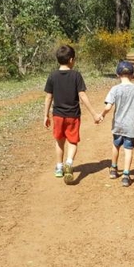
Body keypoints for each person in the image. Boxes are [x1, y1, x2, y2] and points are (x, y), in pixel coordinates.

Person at [43, 45, 100, 185]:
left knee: (59, 140)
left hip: (57, 115)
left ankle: (59, 167)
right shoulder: (76, 75)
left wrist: (45, 115)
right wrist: (94, 113)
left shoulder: (52, 76)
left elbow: (48, 97)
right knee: (72, 141)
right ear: (71, 59)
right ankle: (69, 162)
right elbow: (82, 95)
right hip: (73, 115)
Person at [97, 60, 134, 187]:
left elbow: (108, 106)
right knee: (128, 149)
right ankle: (126, 175)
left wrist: (102, 115)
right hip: (131, 125)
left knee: (116, 145)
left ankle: (113, 169)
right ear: (132, 75)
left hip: (118, 124)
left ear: (117, 74)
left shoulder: (115, 89)